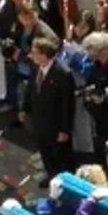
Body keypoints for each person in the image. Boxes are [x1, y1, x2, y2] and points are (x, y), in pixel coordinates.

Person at [23, 36, 76, 179]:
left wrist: (65, 130)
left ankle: (64, 181)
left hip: (56, 124)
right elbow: (31, 89)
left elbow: (68, 104)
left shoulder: (63, 73)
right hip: (40, 120)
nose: (31, 55)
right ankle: (51, 175)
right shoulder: (35, 67)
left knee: (60, 156)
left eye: (35, 52)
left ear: (45, 55)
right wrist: (25, 109)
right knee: (45, 152)